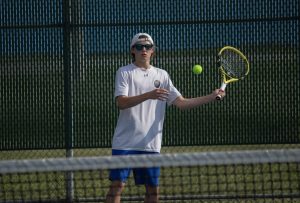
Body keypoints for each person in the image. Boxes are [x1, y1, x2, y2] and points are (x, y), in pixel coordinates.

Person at [105, 33, 225, 203]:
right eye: (139, 47)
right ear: (133, 50)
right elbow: (121, 103)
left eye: (147, 47)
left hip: (151, 145)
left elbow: (181, 103)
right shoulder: (124, 72)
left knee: (153, 191)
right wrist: (149, 95)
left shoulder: (162, 75)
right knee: (117, 186)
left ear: (153, 51)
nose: (143, 50)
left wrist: (211, 96)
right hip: (125, 142)